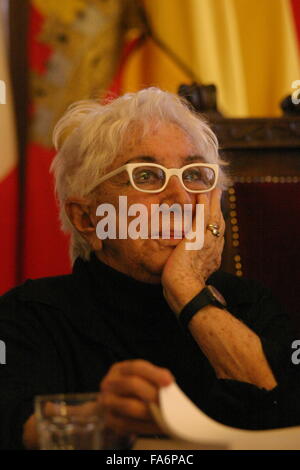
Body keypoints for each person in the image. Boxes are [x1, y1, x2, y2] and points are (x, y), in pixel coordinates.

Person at [0, 88, 291, 450]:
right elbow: (11, 424)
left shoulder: (250, 305)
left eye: (196, 175)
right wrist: (96, 421)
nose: (181, 198)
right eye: (148, 176)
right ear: (87, 217)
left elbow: (286, 415)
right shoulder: (30, 316)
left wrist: (187, 288)